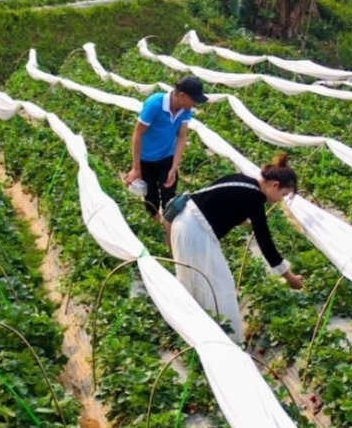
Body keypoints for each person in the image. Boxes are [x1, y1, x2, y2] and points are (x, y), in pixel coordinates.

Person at [163, 154, 304, 342]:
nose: (280, 200)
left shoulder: (241, 180)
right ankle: (223, 341)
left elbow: (216, 202)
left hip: (184, 222)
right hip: (195, 232)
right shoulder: (254, 198)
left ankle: (197, 333)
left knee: (196, 281)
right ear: (275, 185)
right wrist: (290, 277)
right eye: (283, 195)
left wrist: (237, 218)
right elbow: (266, 243)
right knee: (219, 286)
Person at [125, 76, 208, 220]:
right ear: (182, 96)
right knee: (151, 197)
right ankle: (155, 224)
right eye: (193, 100)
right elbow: (138, 133)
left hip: (166, 157)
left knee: (169, 194)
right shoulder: (154, 104)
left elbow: (182, 136)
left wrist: (174, 167)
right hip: (146, 159)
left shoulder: (184, 109)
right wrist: (136, 167)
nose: (194, 104)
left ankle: (169, 225)